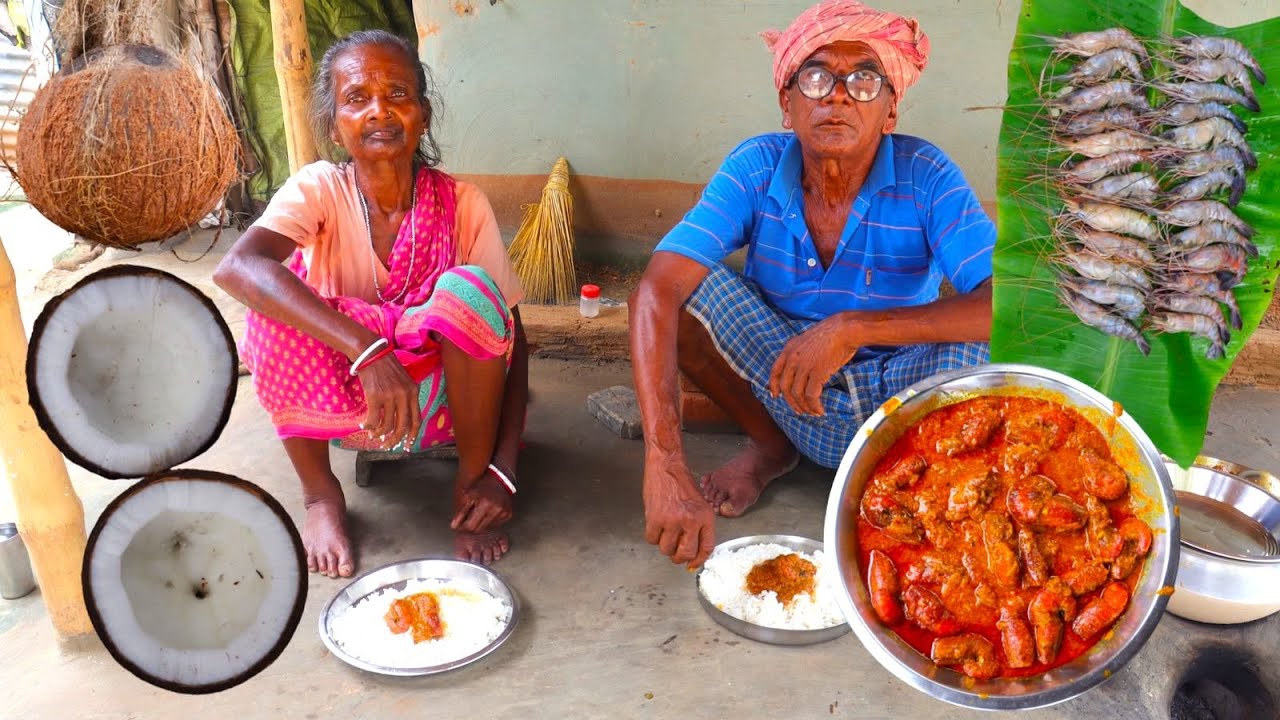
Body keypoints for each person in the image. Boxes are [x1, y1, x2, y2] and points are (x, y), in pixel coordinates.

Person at [630, 0, 995, 570]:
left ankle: (922, 483)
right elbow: (656, 290)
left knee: (986, 349)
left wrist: (851, 329)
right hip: (789, 386)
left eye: (864, 80)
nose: (839, 96)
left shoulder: (927, 175)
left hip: (901, 394)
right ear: (787, 104)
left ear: (891, 111)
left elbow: (1005, 304)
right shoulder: (755, 167)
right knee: (678, 299)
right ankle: (770, 446)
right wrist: (664, 463)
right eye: (817, 78)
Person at [214, 30, 527, 575]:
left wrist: (503, 471)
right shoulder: (319, 189)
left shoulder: (463, 203)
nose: (379, 111)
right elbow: (236, 267)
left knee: (470, 290)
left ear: (423, 115)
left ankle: (470, 488)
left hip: (442, 405)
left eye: (398, 94)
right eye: (357, 98)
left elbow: (512, 342)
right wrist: (368, 350)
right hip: (352, 403)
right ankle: (321, 495)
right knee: (269, 300)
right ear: (335, 125)